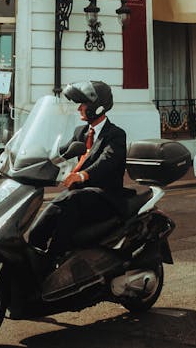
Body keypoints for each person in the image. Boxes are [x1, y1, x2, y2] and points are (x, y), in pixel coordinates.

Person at [29, 79, 126, 259]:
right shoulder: (80, 132)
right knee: (54, 207)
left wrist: (82, 175)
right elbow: (63, 152)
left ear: (98, 106)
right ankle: (34, 249)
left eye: (83, 104)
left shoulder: (115, 134)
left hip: (106, 197)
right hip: (82, 196)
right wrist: (37, 158)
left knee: (70, 201)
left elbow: (107, 160)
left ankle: (55, 258)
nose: (79, 108)